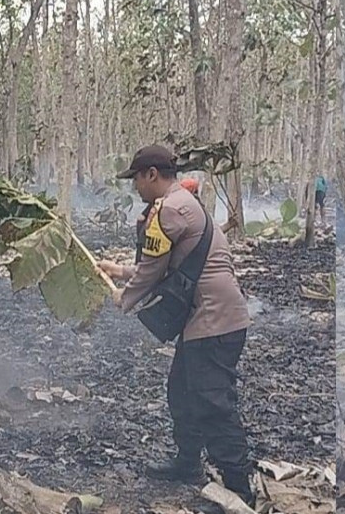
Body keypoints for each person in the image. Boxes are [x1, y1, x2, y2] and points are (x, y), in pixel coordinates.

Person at [98, 145, 254, 506]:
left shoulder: (168, 210)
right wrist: (120, 271)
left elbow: (153, 271)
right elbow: (169, 266)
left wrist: (125, 298)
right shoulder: (184, 201)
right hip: (214, 318)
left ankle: (239, 490)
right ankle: (188, 464)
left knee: (213, 404)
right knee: (181, 391)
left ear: (152, 174)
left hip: (212, 321)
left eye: (137, 178)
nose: (135, 186)